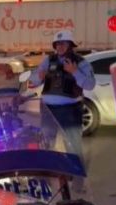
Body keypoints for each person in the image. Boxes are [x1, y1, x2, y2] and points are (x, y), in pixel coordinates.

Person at [30, 30, 95, 161]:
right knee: (47, 145)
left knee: (73, 147)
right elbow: (33, 80)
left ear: (71, 45)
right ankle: (50, 172)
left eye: (63, 44)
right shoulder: (48, 60)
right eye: (57, 44)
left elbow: (90, 84)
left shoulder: (80, 62)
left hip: (70, 110)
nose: (59, 47)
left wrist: (75, 71)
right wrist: (39, 76)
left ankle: (76, 175)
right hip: (48, 109)